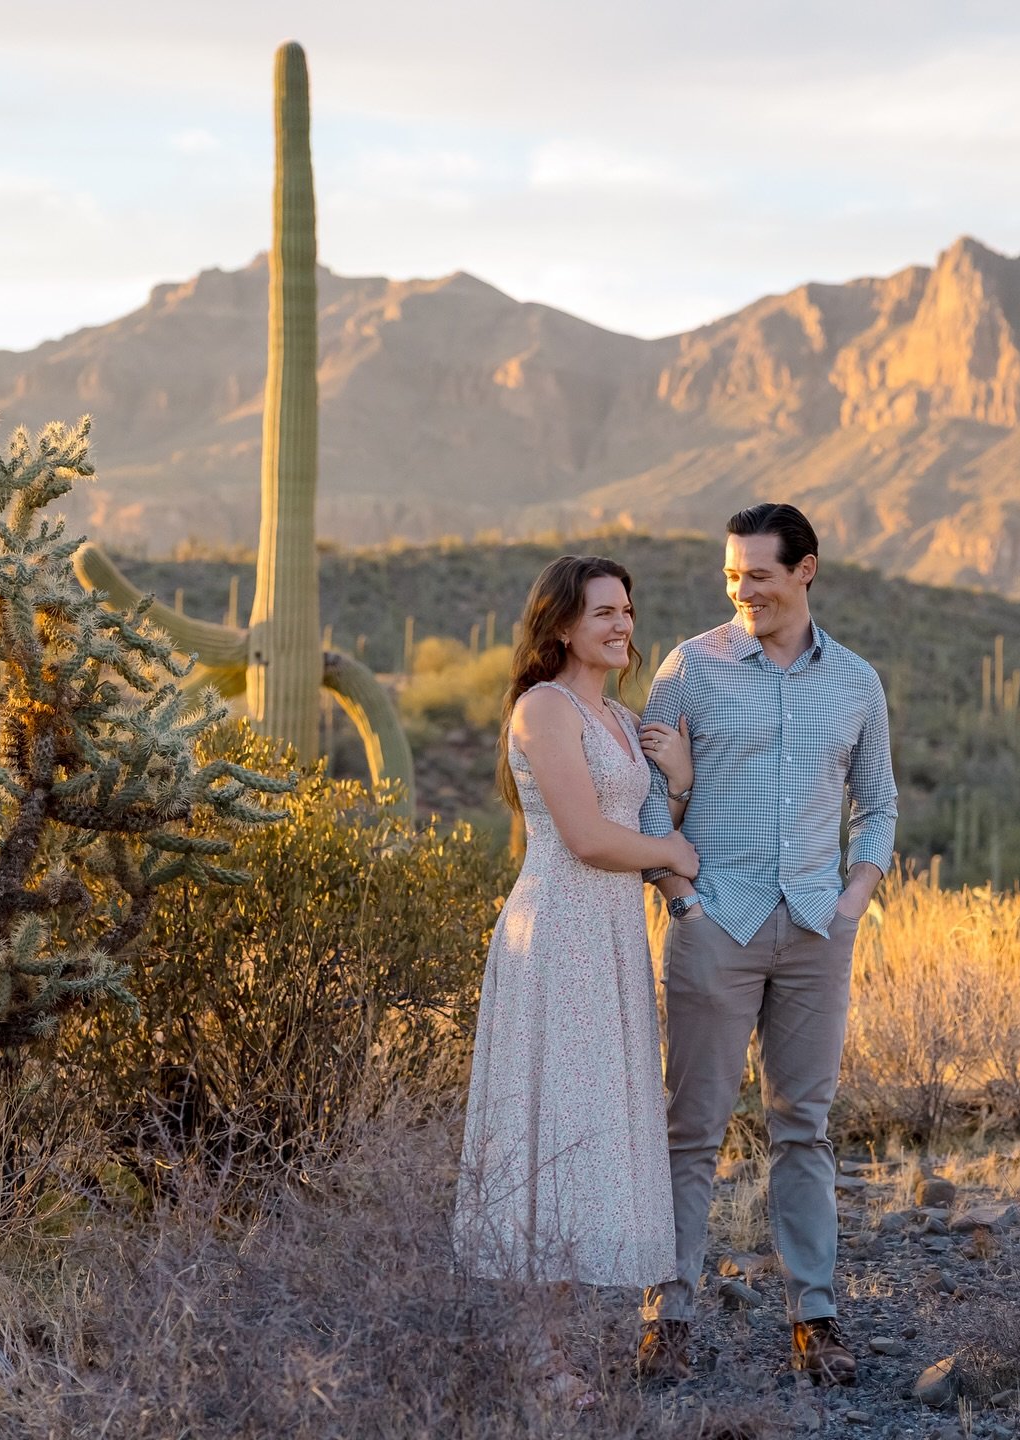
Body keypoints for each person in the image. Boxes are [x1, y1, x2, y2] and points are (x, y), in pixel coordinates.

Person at [634, 503, 898, 1387]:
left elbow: (880, 803)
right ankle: (667, 1318)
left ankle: (814, 1317)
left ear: (806, 571)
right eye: (732, 576)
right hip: (717, 924)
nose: (744, 591)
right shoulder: (689, 669)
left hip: (818, 929)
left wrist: (856, 895)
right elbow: (643, 797)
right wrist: (682, 900)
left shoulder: (856, 681)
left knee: (804, 1128)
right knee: (692, 1131)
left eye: (760, 574)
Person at [453, 554, 699, 1404]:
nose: (622, 625)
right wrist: (670, 852)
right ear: (561, 626)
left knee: (594, 1120)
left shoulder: (626, 723)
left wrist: (681, 785)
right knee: (549, 1122)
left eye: (628, 611)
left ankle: (560, 1343)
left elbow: (646, 816)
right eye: (603, 613)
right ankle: (540, 1355)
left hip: (612, 943)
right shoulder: (542, 711)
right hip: (556, 932)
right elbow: (592, 839)